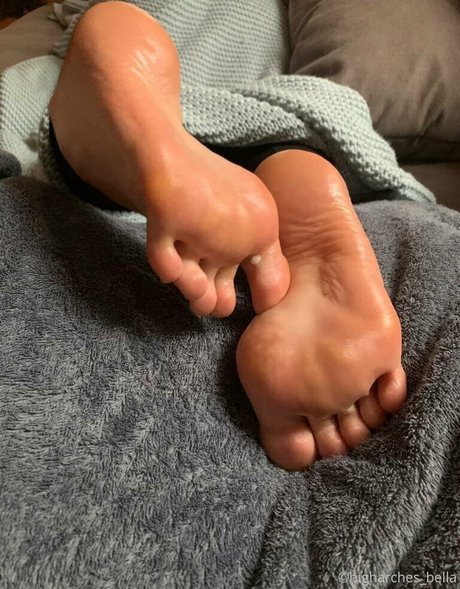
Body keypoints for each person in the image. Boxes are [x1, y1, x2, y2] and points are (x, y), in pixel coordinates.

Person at [49, 1, 406, 470]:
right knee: (274, 146)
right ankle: (291, 165)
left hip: (197, 129)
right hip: (274, 126)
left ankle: (106, 141)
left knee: (152, 152)